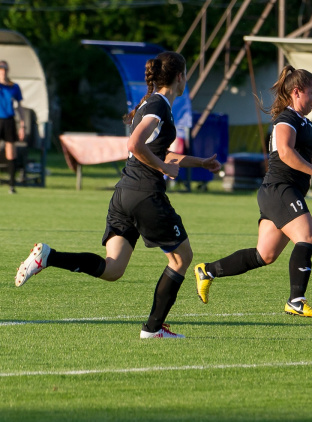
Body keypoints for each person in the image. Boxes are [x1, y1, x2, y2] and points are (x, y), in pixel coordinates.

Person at [15, 52, 221, 339]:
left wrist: (198, 163)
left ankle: (49, 257)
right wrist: (162, 167)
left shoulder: (151, 104)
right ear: (179, 77)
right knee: (181, 258)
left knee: (113, 269)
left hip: (124, 193)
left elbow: (155, 149)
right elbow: (136, 144)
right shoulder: (159, 105)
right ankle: (152, 329)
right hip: (146, 195)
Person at [193, 66, 312, 317]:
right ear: (296, 92)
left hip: (281, 192)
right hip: (280, 189)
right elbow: (285, 153)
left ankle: (206, 270)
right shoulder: (285, 120)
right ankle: (296, 300)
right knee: (306, 238)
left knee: (264, 255)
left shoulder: (304, 122)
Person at [0, 60, 25, 194]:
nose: (2, 72)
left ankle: (11, 185)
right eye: (0, 69)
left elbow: (20, 107)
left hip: (9, 120)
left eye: (4, 69)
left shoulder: (13, 86)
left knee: (11, 153)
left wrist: (22, 125)